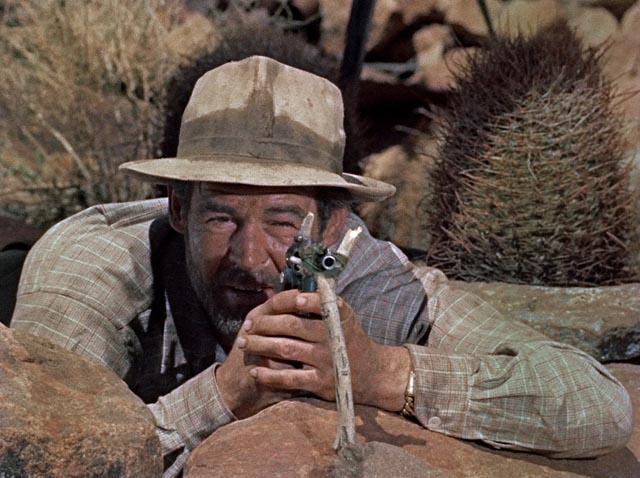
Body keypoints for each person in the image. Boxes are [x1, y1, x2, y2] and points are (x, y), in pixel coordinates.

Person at [11, 56, 632, 477]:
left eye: (284, 223)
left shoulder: (373, 277)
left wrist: (386, 374)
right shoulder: (97, 264)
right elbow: (36, 451)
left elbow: (596, 406)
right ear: (177, 206)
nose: (250, 257)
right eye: (221, 218)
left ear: (335, 225)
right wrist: (222, 396)